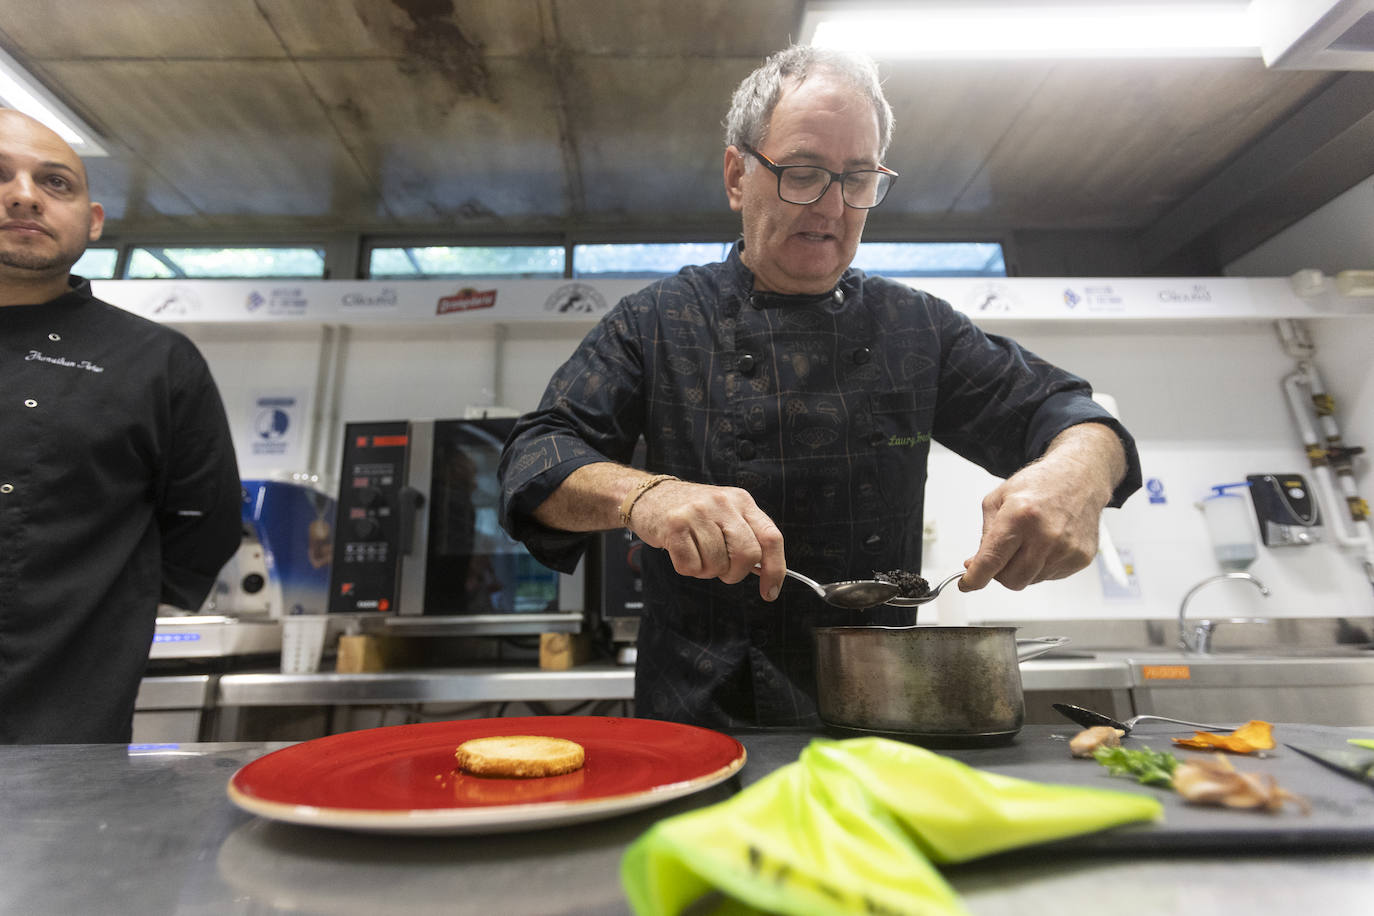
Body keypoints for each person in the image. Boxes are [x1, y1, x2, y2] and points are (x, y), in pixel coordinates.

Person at [499, 46, 1141, 729]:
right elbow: (534, 457)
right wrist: (647, 495)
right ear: (737, 176)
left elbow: (1068, 411)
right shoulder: (658, 321)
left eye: (858, 178)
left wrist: (1077, 475)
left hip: (884, 711)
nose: (833, 206)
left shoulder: (916, 327)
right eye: (803, 173)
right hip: (701, 721)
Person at [0, 109, 242, 743]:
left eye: (56, 183)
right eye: (0, 176)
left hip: (61, 729)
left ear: (94, 220)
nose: (24, 194)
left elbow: (202, 526)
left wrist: (99, 616)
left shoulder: (156, 362)